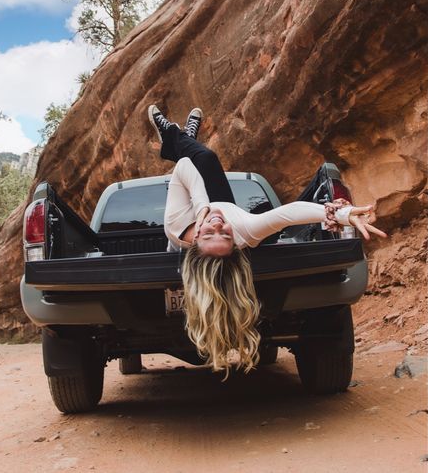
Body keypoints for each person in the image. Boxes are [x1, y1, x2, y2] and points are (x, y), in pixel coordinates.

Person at [148, 104, 387, 377]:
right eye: (224, 233)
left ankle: (174, 138)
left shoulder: (175, 225)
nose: (217, 225)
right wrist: (343, 215)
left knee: (197, 157)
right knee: (207, 158)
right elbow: (287, 215)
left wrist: (201, 207)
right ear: (236, 243)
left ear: (194, 247)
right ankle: (182, 138)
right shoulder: (244, 231)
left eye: (208, 233)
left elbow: (184, 167)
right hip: (222, 198)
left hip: (196, 200)